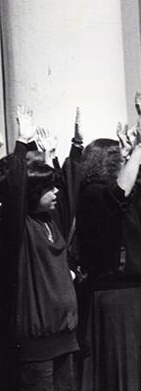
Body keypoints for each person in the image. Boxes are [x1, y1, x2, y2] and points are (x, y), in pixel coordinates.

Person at [0, 107, 78, 391]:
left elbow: (69, 191)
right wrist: (22, 141)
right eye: (48, 188)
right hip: (36, 346)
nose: (56, 192)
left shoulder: (50, 221)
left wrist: (62, 151)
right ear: (32, 193)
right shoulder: (16, 228)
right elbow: (15, 188)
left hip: (65, 337)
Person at [76, 136, 141, 391]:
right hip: (115, 297)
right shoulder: (93, 194)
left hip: (130, 295)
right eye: (120, 158)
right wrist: (137, 151)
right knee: (122, 371)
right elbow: (118, 194)